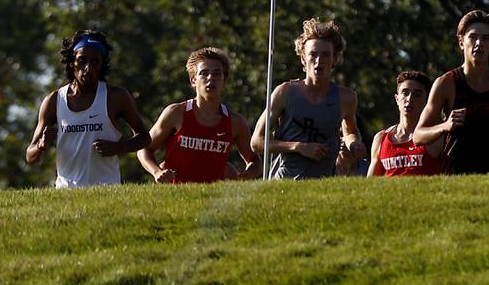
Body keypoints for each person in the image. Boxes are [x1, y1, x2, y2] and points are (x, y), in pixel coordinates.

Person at [26, 30, 151, 188]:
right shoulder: (54, 100)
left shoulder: (116, 97)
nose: (87, 68)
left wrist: (119, 147)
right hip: (66, 193)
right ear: (72, 62)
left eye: (94, 62)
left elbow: (145, 138)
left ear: (101, 65)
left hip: (107, 191)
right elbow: (30, 156)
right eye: (82, 60)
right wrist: (40, 145)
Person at [414, 10, 489, 174]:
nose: (479, 43)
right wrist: (445, 126)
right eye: (473, 37)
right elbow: (418, 135)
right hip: (456, 178)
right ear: (461, 42)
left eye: (485, 38)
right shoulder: (446, 83)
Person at [252, 18, 365, 179]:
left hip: (322, 185)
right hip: (283, 185)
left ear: (335, 59)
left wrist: (354, 145)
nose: (319, 61)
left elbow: (350, 132)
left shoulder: (346, 98)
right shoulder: (284, 92)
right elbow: (257, 142)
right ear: (303, 58)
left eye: (325, 55)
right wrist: (298, 147)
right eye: (313, 54)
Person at [137, 47, 261, 183]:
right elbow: (144, 149)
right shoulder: (176, 113)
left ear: (224, 80)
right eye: (204, 73)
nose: (211, 78)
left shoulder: (235, 122)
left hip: (212, 199)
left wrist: (243, 176)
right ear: (193, 80)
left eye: (217, 73)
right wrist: (157, 172)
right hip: (175, 197)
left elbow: (255, 161)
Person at [368, 70, 443, 177]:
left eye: (417, 95)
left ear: (427, 101)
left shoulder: (436, 137)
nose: (410, 99)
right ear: (397, 99)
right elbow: (370, 185)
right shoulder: (381, 139)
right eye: (405, 93)